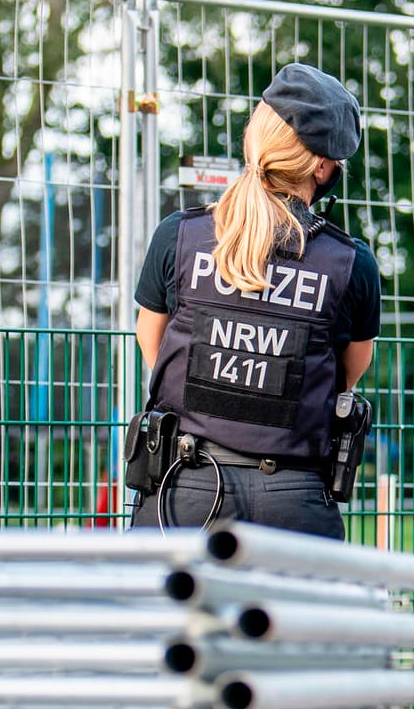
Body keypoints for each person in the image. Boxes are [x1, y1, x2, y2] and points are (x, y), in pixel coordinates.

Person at [129, 63, 381, 539]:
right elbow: (348, 372)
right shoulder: (351, 263)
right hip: (294, 503)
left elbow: (153, 345)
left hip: (184, 492)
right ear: (324, 166)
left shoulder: (179, 236)